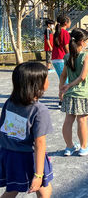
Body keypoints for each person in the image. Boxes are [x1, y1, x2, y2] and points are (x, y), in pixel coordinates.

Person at [0, 62, 53, 197]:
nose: (48, 81)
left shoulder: (9, 102)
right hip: (29, 157)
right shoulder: (39, 110)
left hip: (9, 155)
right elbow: (40, 143)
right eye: (46, 78)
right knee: (44, 189)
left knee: (12, 189)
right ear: (37, 84)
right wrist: (39, 174)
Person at [59, 28, 88, 156]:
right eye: (87, 40)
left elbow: (63, 75)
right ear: (82, 41)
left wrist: (62, 89)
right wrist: (69, 85)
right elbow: (82, 76)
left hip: (70, 93)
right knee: (82, 120)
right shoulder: (86, 56)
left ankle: (69, 147)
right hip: (83, 92)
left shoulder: (66, 56)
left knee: (68, 120)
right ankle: (84, 147)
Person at [52, 15, 71, 107]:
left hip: (56, 59)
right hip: (61, 58)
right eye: (69, 21)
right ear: (66, 23)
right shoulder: (65, 33)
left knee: (62, 80)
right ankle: (63, 101)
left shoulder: (57, 32)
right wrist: (71, 56)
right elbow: (66, 46)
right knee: (65, 80)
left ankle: (62, 100)